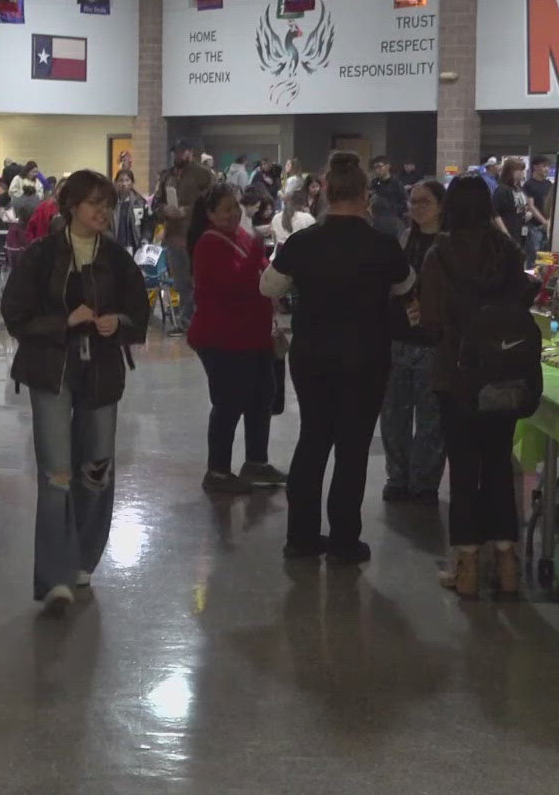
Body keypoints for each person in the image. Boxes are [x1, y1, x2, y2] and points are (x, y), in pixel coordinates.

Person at [1, 170, 151, 616]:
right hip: (52, 372)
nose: (102, 212)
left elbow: (139, 315)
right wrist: (62, 321)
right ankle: (53, 577)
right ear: (71, 208)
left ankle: (84, 558)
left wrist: (118, 322)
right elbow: (15, 314)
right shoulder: (41, 256)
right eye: (93, 204)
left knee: (96, 469)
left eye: (107, 204)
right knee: (56, 475)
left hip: (102, 374)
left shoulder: (119, 259)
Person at [260, 152, 414, 562]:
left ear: (324, 192)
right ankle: (346, 540)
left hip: (312, 354)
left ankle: (302, 538)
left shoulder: (302, 242)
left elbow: (268, 288)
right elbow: (406, 285)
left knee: (312, 440)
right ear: (365, 195)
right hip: (366, 355)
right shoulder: (382, 244)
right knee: (352, 448)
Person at [420, 175, 533, 599]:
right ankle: (506, 563)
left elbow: (430, 320)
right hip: (505, 375)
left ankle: (466, 567)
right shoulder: (506, 251)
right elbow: (523, 301)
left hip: (457, 375)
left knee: (464, 470)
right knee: (500, 465)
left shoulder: (440, 254)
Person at [186, 182, 286, 494]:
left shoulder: (241, 236)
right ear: (210, 214)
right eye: (225, 209)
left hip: (253, 334)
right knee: (229, 401)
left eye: (235, 208)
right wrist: (258, 251)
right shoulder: (208, 244)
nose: (232, 214)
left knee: (261, 397)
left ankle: (256, 461)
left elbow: (261, 273)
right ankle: (217, 470)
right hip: (221, 336)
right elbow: (234, 285)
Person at [383, 180, 446, 503]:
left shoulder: (448, 243)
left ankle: (424, 483)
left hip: (434, 342)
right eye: (412, 201)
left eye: (424, 201)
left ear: (440, 206)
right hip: (399, 336)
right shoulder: (404, 238)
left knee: (430, 418)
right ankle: (398, 476)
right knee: (394, 414)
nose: (417, 207)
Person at [153, 138, 217, 333]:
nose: (178, 156)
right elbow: (156, 203)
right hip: (174, 236)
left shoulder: (203, 174)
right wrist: (165, 210)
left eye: (182, 152)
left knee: (198, 280)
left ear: (190, 151)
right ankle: (184, 320)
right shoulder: (168, 176)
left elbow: (212, 201)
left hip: (196, 237)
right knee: (181, 282)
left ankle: (199, 319)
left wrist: (186, 211)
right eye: (175, 152)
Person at [522, 155, 554, 266]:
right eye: (544, 166)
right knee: (534, 258)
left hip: (548, 225)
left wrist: (549, 221)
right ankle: (532, 282)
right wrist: (543, 221)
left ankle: (543, 281)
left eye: (548, 166)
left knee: (546, 258)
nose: (547, 169)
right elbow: (531, 206)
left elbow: (551, 204)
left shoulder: (549, 184)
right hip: (534, 226)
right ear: (535, 167)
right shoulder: (529, 184)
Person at [492, 157, 531, 248]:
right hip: (508, 229)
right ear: (510, 172)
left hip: (520, 229)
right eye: (519, 170)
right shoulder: (502, 189)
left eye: (523, 170)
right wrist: (505, 232)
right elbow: (495, 213)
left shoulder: (518, 188)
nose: (522, 172)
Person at [112, 168, 148, 249]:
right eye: (121, 180)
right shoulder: (111, 203)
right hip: (115, 246)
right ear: (116, 183)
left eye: (127, 180)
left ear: (132, 183)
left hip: (135, 245)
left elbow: (147, 224)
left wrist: (145, 239)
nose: (124, 184)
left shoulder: (140, 202)